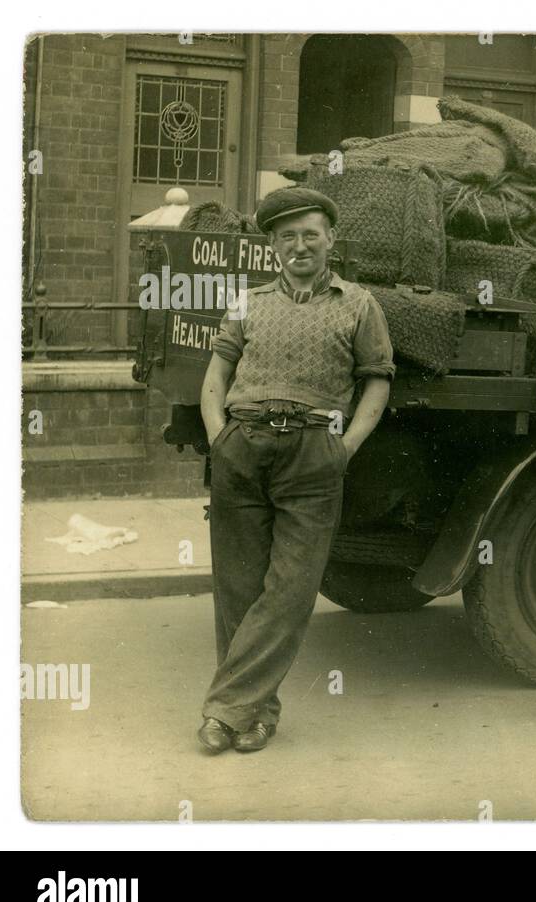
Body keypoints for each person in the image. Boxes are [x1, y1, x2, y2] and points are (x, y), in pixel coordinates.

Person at [196, 186, 396, 754]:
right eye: (288, 237)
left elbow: (376, 380)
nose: (300, 245)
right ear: (273, 246)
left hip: (313, 451)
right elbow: (217, 373)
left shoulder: (359, 304)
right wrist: (219, 436)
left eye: (311, 234)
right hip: (243, 445)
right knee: (238, 586)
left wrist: (346, 447)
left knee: (290, 590)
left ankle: (222, 711)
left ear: (331, 239)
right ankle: (255, 715)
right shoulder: (247, 301)